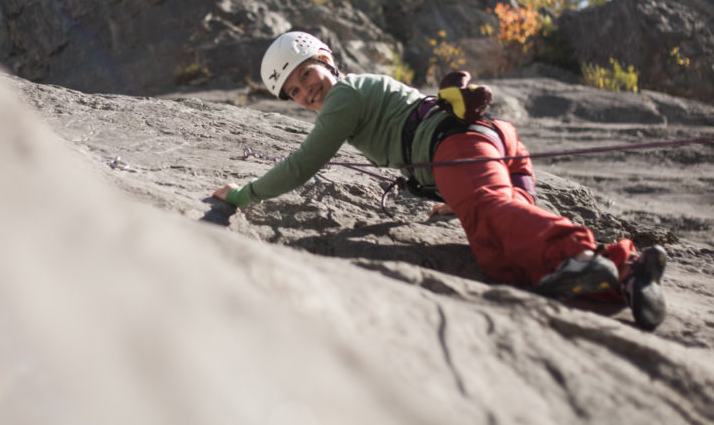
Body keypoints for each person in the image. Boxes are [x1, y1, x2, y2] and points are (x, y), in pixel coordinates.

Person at [213, 31, 667, 330]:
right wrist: (456, 197)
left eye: (307, 75)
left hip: (459, 147)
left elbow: (303, 162)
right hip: (486, 143)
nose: (306, 91)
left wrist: (242, 194)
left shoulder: (344, 97)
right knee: (496, 251)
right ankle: (626, 274)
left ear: (326, 61)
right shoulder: (354, 95)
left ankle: (583, 256)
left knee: (493, 217)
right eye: (293, 91)